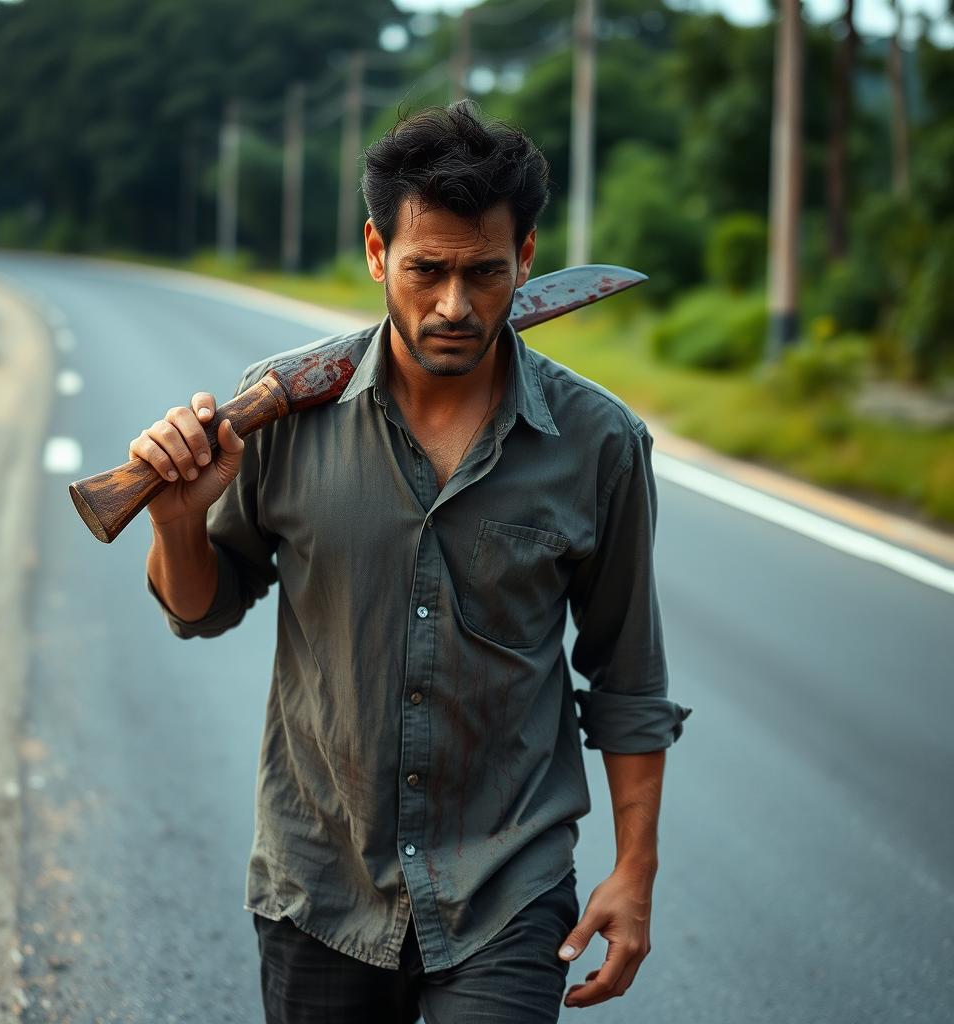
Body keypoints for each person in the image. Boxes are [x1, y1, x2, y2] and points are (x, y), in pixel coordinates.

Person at [137, 100, 692, 1023]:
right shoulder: (279, 416)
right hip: (321, 883)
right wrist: (176, 521)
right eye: (425, 270)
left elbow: (627, 676)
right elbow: (200, 608)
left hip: (507, 892)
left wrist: (635, 873)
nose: (454, 306)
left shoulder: (600, 443)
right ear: (374, 251)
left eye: (484, 273)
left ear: (526, 258)